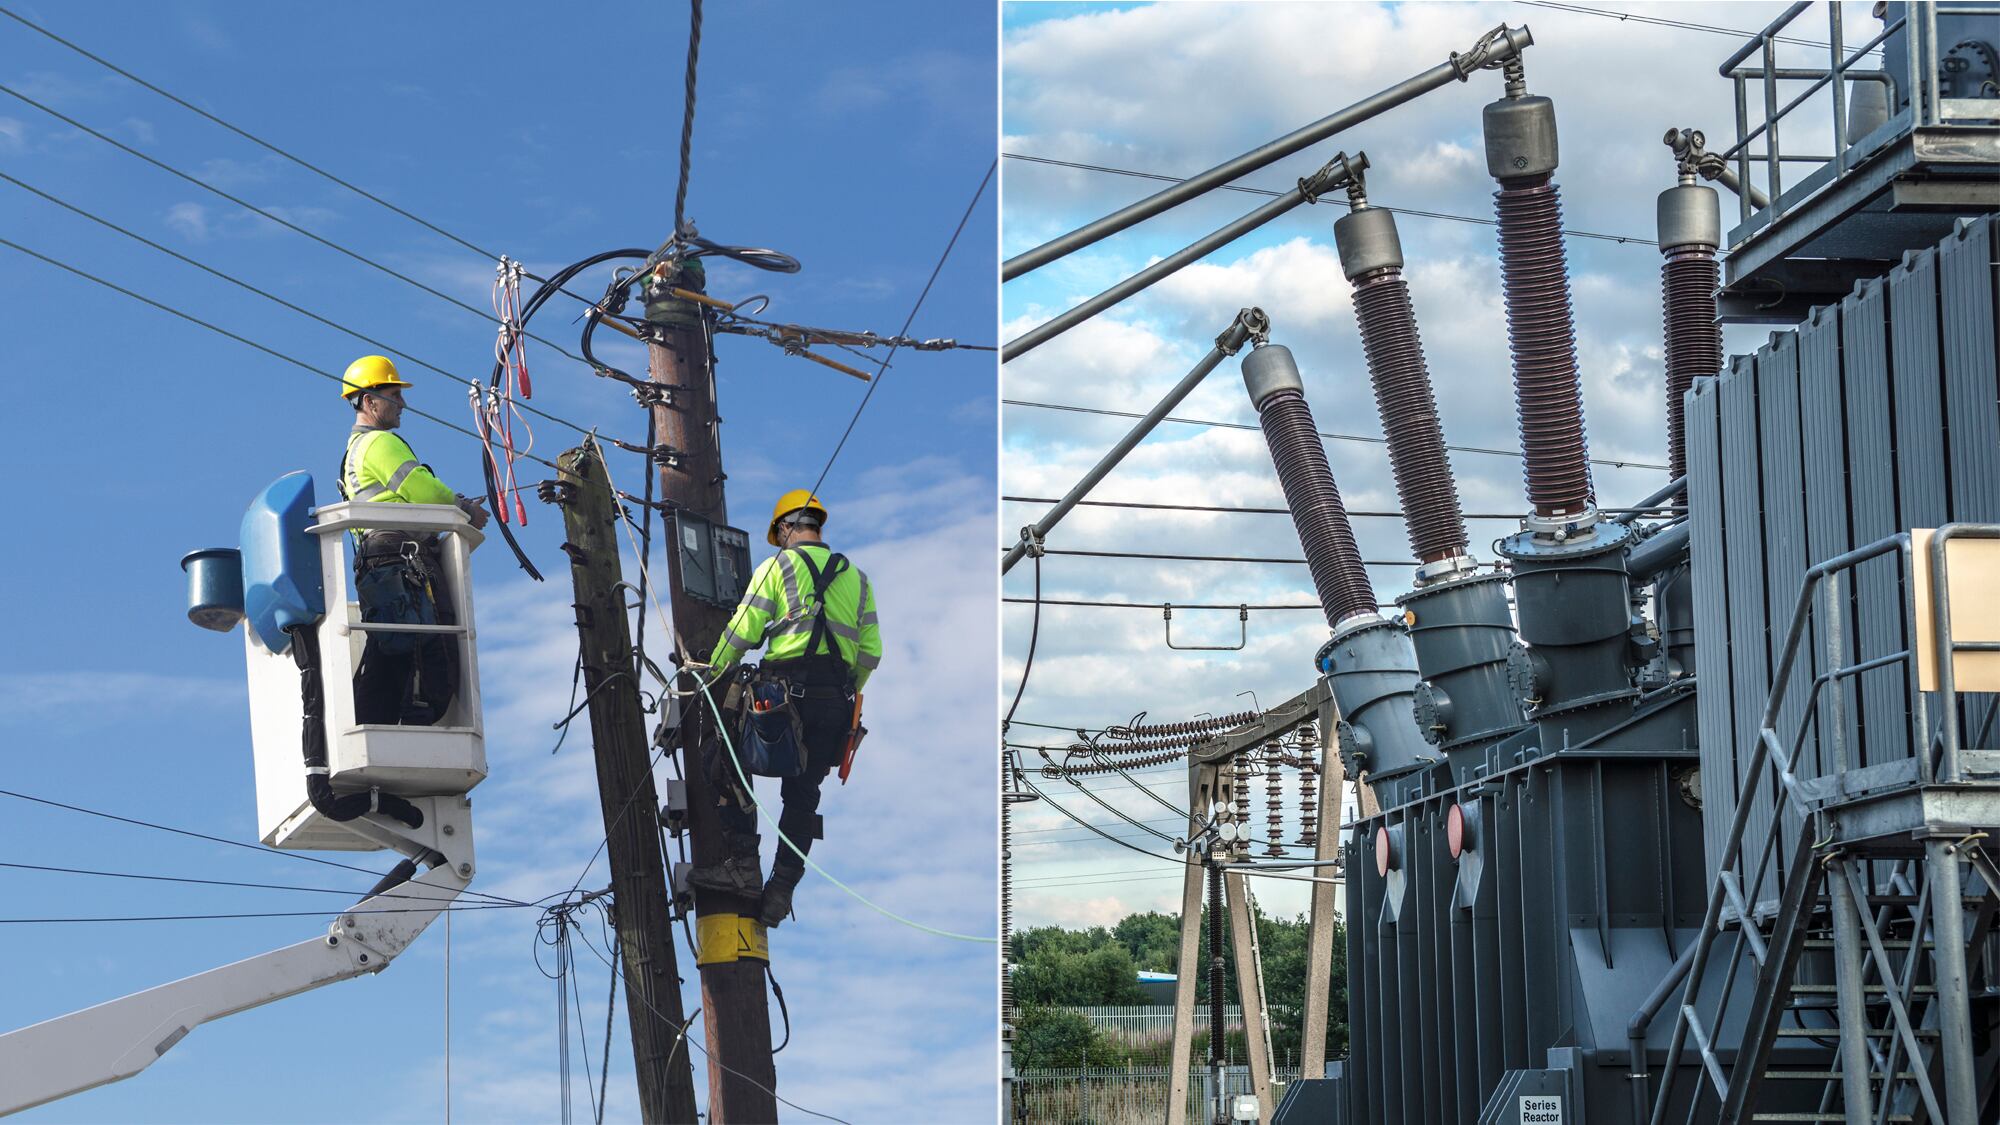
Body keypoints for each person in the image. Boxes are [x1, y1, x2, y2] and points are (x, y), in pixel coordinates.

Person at [691, 489, 882, 928]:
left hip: (780, 699)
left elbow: (743, 630)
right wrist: (844, 689)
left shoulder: (777, 567)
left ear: (783, 529)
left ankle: (742, 864)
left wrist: (708, 671)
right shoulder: (859, 579)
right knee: (803, 793)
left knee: (723, 757)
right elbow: (872, 651)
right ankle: (781, 889)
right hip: (834, 704)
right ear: (817, 525)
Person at [336, 355, 489, 726]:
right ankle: (410, 718)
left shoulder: (354, 452)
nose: (403, 404)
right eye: (394, 395)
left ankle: (379, 724)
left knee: (394, 648)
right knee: (426, 648)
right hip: (401, 560)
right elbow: (421, 489)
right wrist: (464, 508)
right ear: (369, 401)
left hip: (380, 564)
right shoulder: (380, 443)